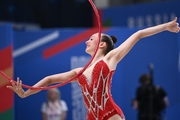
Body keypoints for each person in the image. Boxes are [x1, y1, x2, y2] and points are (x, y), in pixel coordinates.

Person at [7, 17, 179, 120]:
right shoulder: (78, 72)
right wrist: (25, 93)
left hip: (110, 113)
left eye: (90, 39)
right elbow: (49, 80)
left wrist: (165, 26)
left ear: (102, 45)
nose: (86, 41)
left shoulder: (111, 58)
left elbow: (139, 34)